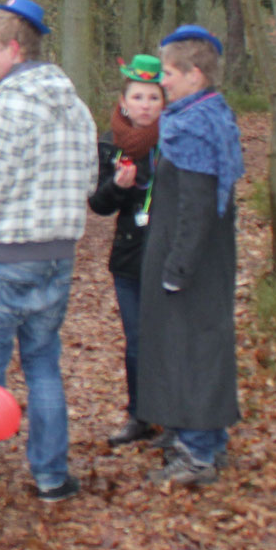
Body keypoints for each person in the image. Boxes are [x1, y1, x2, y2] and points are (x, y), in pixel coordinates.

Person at [0, 0, 94, 506]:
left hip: (7, 259)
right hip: (58, 255)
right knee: (43, 365)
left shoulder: (10, 103)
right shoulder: (74, 104)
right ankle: (52, 477)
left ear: (13, 48)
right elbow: (90, 179)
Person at [138, 26, 245, 487]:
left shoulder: (192, 124)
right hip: (207, 258)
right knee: (200, 343)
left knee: (191, 349)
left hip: (193, 262)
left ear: (194, 75)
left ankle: (197, 452)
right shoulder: (210, 113)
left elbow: (198, 204)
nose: (162, 82)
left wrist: (178, 266)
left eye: (168, 73)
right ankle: (208, 440)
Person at [89, 54, 166, 447]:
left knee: (166, 338)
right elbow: (99, 205)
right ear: (124, 100)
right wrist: (119, 185)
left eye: (153, 97)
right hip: (129, 258)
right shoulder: (110, 141)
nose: (146, 105)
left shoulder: (173, 140)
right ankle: (139, 415)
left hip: (168, 257)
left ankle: (172, 416)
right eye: (138, 97)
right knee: (136, 339)